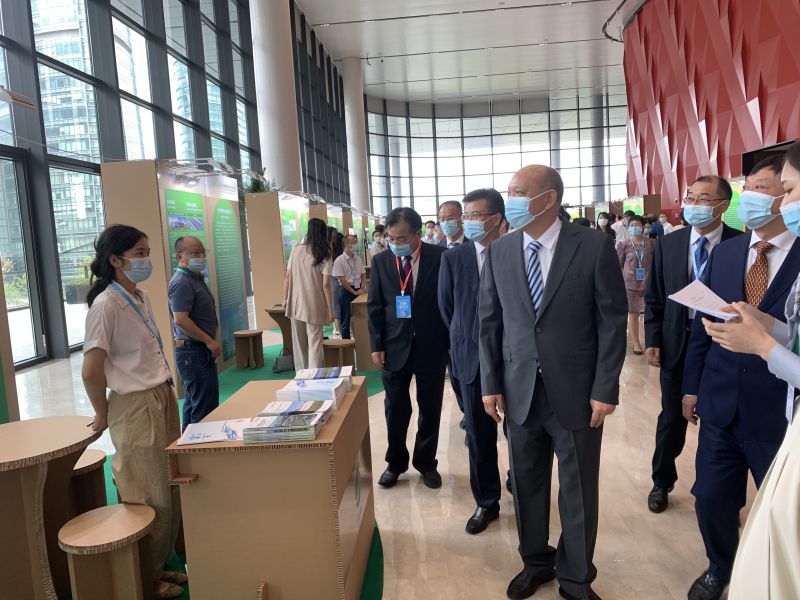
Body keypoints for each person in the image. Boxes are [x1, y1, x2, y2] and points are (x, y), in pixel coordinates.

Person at [479, 165, 627, 600]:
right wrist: (490, 383)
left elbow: (612, 321)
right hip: (519, 389)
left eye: (518, 192)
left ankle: (576, 579)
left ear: (548, 199)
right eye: (509, 191)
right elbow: (489, 322)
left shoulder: (593, 246)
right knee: (527, 484)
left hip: (577, 392)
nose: (510, 200)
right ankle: (535, 562)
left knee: (579, 489)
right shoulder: (501, 250)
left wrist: (605, 388)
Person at [682, 165, 800, 600]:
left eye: (763, 188)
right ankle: (720, 566)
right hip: (721, 401)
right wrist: (691, 387)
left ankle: (769, 577)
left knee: (780, 509)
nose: (750, 196)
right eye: (746, 188)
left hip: (778, 409)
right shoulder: (728, 253)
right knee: (711, 497)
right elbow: (703, 326)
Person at [82, 225, 185, 600]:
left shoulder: (140, 297)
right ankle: (143, 579)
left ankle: (160, 564)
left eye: (147, 252)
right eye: (139, 253)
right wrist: (102, 413)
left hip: (160, 396)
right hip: (135, 406)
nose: (146, 259)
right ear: (116, 259)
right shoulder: (105, 305)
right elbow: (91, 371)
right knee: (147, 494)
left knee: (169, 486)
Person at [644, 176, 742, 515]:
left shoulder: (739, 245)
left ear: (722, 205)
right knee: (671, 417)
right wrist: (653, 339)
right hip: (677, 340)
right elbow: (655, 296)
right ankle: (661, 481)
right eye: (690, 197)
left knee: (720, 421)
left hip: (722, 343)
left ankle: (717, 493)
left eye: (703, 199)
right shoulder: (670, 244)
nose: (693, 205)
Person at [438, 188, 506, 535]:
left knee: (522, 433)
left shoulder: (516, 251)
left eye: (476, 216)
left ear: (497, 218)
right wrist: (464, 339)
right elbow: (447, 308)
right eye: (466, 216)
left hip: (514, 359)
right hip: (472, 359)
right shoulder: (454, 259)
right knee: (479, 437)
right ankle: (486, 501)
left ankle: (521, 484)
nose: (468, 222)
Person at [368, 207, 449, 490]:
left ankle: (426, 463)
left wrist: (450, 342)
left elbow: (448, 302)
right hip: (394, 346)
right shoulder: (381, 261)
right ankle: (395, 463)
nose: (395, 243)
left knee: (430, 408)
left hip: (431, 345)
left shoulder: (440, 257)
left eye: (401, 238)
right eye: (391, 238)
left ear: (417, 234)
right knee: (395, 409)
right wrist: (377, 344)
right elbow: (375, 306)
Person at [168, 236, 221, 430]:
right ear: (180, 256)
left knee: (195, 403)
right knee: (204, 408)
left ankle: (190, 442)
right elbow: (181, 319)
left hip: (197, 351)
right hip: (193, 351)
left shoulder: (195, 278)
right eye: (194, 253)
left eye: (202, 252)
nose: (200, 257)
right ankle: (200, 443)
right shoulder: (182, 282)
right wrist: (209, 341)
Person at [284, 218, 334, 370]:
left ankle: (301, 374)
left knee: (299, 343)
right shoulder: (325, 253)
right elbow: (326, 285)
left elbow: (287, 277)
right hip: (314, 303)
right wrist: (330, 309)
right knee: (315, 342)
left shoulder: (296, 250)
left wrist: (285, 299)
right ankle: (315, 374)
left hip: (295, 303)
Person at [437, 200, 466, 421]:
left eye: (450, 218)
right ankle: (465, 409)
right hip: (443, 323)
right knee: (454, 372)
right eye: (442, 219)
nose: (446, 222)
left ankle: (472, 414)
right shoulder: (435, 250)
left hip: (468, 321)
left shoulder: (475, 245)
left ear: (461, 218)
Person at [616, 215, 655, 355]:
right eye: (631, 225)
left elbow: (656, 262)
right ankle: (636, 343)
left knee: (651, 313)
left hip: (649, 283)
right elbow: (619, 265)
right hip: (630, 285)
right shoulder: (624, 245)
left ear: (643, 226)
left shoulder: (652, 243)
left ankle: (652, 342)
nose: (634, 227)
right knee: (633, 314)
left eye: (637, 225)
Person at [332, 234, 366, 339]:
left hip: (359, 290)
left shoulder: (358, 259)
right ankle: (346, 342)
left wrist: (361, 288)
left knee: (361, 316)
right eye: (354, 242)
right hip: (347, 291)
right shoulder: (339, 260)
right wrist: (353, 291)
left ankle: (361, 340)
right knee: (345, 320)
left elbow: (363, 275)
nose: (356, 245)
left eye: (356, 242)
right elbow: (342, 280)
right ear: (346, 244)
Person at [330, 228, 344, 338]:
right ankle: (340, 330)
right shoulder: (339, 257)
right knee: (338, 307)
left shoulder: (331, 253)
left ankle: (337, 328)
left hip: (334, 281)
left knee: (336, 306)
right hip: (337, 282)